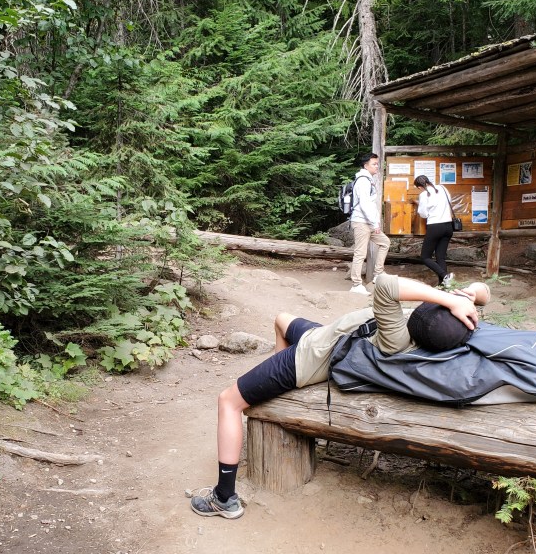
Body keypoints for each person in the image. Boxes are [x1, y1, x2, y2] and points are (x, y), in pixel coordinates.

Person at [190, 273, 490, 519]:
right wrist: (469, 295)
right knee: (281, 319)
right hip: (331, 336)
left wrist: (449, 299)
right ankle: (273, 393)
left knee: (228, 401)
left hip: (312, 357)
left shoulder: (397, 335)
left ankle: (224, 498)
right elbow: (485, 291)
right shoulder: (439, 335)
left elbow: (385, 284)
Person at [347, 153, 390, 295]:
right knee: (360, 253)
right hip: (361, 222)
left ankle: (378, 273)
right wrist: (374, 223)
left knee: (385, 242)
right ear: (366, 165)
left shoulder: (368, 179)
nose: (377, 166)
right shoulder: (363, 181)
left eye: (377, 163)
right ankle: (356, 284)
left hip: (368, 222)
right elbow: (365, 204)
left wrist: (374, 222)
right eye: (374, 164)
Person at [413, 175, 455, 287]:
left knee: (425, 257)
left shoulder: (424, 194)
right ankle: (443, 285)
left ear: (419, 187)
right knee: (440, 257)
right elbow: (449, 202)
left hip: (435, 227)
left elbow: (423, 214)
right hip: (448, 226)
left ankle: (445, 276)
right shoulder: (443, 188)